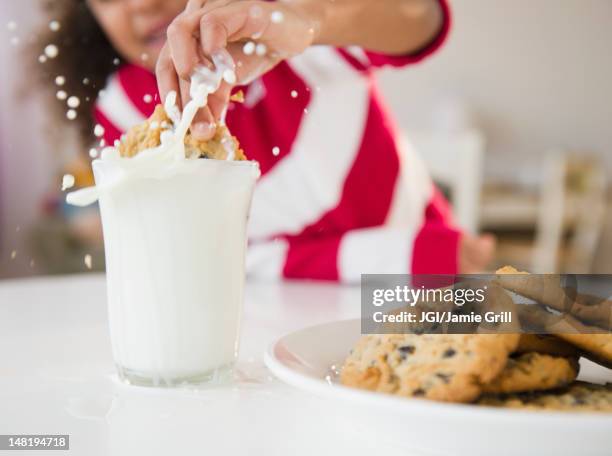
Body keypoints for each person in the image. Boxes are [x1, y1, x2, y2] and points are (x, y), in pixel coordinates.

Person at [34, 0, 495, 280]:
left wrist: (312, 19)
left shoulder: (293, 36)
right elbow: (209, 260)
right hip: (277, 319)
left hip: (435, 276)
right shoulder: (123, 111)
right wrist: (385, 255)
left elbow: (423, 17)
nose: (144, 4)